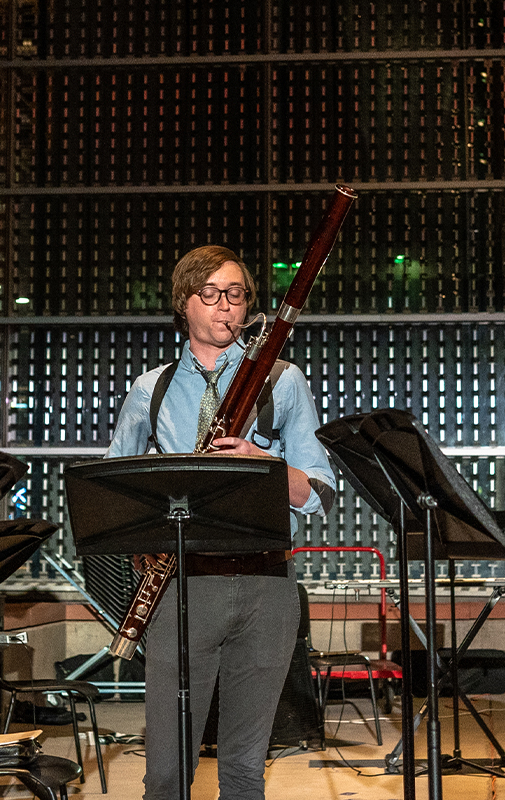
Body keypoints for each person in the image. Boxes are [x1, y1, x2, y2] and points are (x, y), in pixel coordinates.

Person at [104, 245, 336, 800]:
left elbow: (321, 491)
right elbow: (114, 493)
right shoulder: (149, 389)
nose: (225, 307)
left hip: (266, 589)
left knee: (241, 771)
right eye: (210, 294)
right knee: (165, 772)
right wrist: (142, 535)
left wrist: (266, 467)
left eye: (236, 295)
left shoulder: (282, 380)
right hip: (182, 589)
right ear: (184, 304)